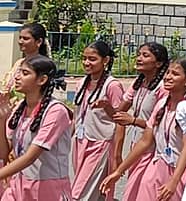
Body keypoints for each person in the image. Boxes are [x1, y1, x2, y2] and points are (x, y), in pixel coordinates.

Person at [101, 59, 186, 200]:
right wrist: (119, 171)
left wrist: (174, 181)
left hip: (180, 171)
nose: (168, 77)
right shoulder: (161, 104)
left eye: (175, 74)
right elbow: (145, 141)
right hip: (157, 166)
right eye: (168, 72)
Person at [0, 55, 70, 200]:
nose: (17, 77)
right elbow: (4, 153)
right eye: (18, 72)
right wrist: (1, 120)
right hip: (19, 182)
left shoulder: (55, 111)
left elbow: (30, 157)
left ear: (42, 80)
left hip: (47, 187)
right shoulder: (20, 107)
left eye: (25, 73)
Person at [113, 42, 169, 201]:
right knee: (134, 190)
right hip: (136, 145)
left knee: (141, 192)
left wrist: (133, 120)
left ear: (158, 63)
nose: (138, 58)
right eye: (138, 54)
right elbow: (119, 112)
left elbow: (161, 124)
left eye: (145, 55)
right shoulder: (139, 83)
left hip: (152, 148)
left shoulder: (163, 87)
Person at [72, 41, 124, 201]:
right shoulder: (82, 83)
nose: (87, 63)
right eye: (85, 58)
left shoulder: (112, 85)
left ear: (105, 60)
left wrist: (116, 155)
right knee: (95, 191)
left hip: (100, 143)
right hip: (80, 142)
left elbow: (120, 119)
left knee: (79, 193)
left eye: (92, 59)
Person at [0, 23, 49, 97]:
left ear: (39, 42)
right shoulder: (19, 63)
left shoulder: (43, 65)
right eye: (20, 38)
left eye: (26, 38)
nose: (20, 41)